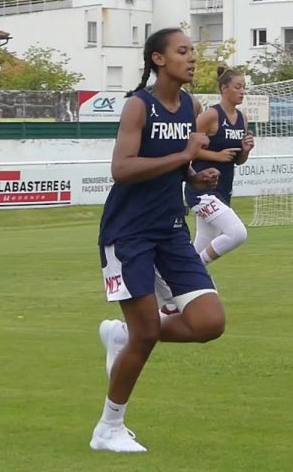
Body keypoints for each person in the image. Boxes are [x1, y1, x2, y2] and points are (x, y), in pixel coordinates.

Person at [91, 28, 227, 453]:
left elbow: (172, 165)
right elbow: (122, 169)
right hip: (127, 234)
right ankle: (108, 428)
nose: (192, 58)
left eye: (192, 51)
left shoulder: (190, 106)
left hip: (170, 231)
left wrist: (193, 176)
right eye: (182, 51)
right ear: (158, 59)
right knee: (146, 333)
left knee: (209, 323)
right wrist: (185, 156)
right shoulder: (139, 105)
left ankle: (122, 336)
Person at [184, 66, 255, 266]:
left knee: (203, 242)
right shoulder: (211, 115)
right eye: (237, 87)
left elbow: (237, 160)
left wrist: (245, 151)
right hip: (201, 190)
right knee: (237, 233)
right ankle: (195, 270)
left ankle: (178, 279)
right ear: (224, 88)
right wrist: (216, 155)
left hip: (223, 190)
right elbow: (186, 146)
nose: (242, 91)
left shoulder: (242, 119)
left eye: (244, 87)